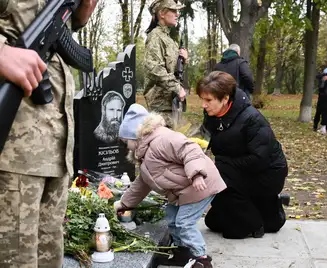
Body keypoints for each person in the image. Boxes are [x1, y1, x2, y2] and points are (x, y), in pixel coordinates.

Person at [0, 1, 96, 267]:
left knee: (49, 257)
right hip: (13, 148)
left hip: (55, 145)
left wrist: (84, 11)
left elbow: (65, 24)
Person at [114, 104, 226, 268]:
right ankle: (183, 253)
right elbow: (142, 184)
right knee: (172, 218)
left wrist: (196, 174)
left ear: (135, 135)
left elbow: (189, 149)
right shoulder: (146, 155)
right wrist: (124, 203)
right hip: (185, 191)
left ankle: (201, 259)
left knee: (184, 223)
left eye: (125, 141)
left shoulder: (162, 140)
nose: (125, 146)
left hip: (200, 184)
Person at [196, 71, 288, 239]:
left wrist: (222, 164)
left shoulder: (252, 119)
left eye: (208, 100)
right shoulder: (211, 116)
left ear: (225, 99)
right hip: (235, 168)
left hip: (267, 173)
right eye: (202, 99)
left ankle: (256, 224)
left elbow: (259, 159)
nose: (203, 105)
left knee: (232, 231)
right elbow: (205, 139)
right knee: (213, 223)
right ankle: (264, 210)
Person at [143, 0, 188, 128]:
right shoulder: (155, 36)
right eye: (173, 10)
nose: (177, 14)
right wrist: (177, 88)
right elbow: (154, 68)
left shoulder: (169, 39)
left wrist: (183, 60)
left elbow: (172, 70)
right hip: (160, 105)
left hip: (171, 103)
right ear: (162, 13)